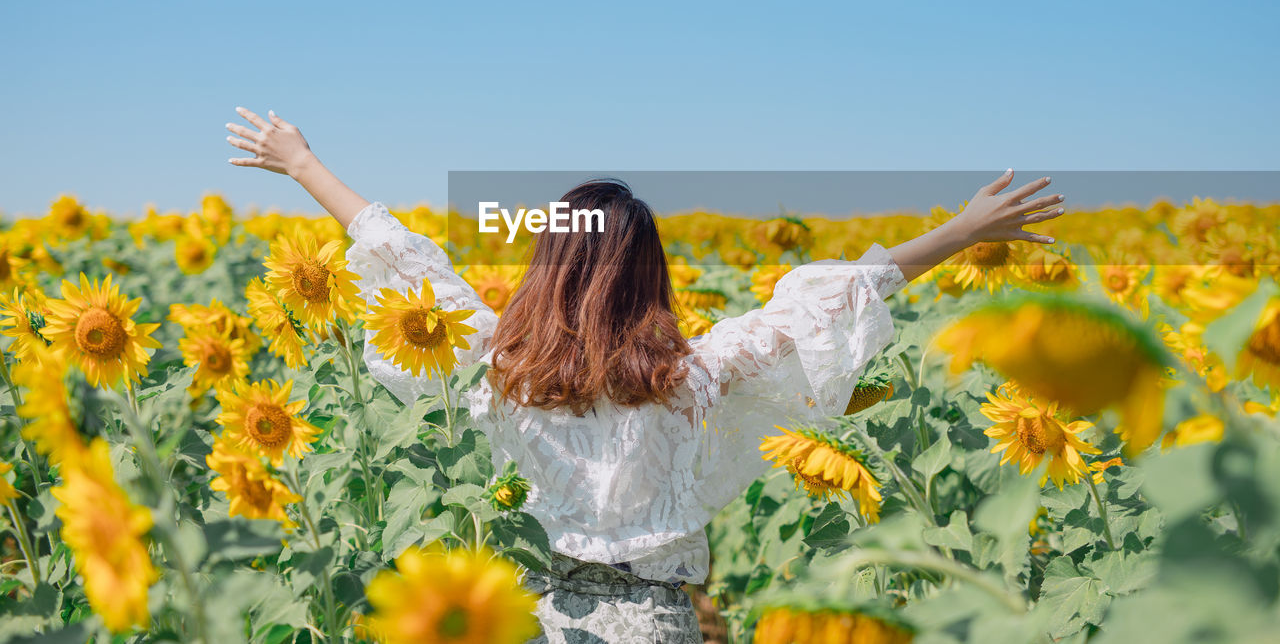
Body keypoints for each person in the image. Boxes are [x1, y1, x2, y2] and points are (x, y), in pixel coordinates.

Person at [225, 106, 1066, 643]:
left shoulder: (500, 369)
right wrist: (960, 230)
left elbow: (405, 264)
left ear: (549, 265)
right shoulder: (695, 377)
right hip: (656, 627)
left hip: (530, 622)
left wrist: (303, 164)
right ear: (647, 272)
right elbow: (835, 298)